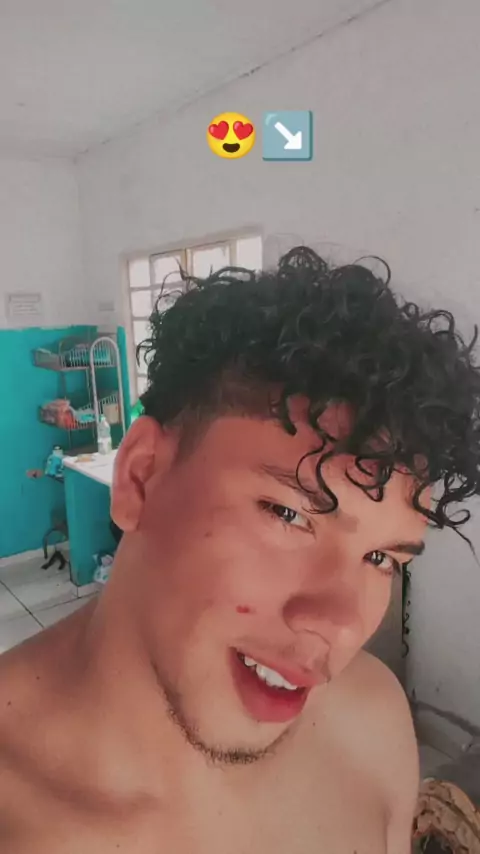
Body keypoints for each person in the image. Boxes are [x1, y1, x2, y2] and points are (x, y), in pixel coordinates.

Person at [1, 246, 479, 853]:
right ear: (141, 477)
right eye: (288, 514)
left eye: (382, 558)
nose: (339, 625)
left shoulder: (374, 722)